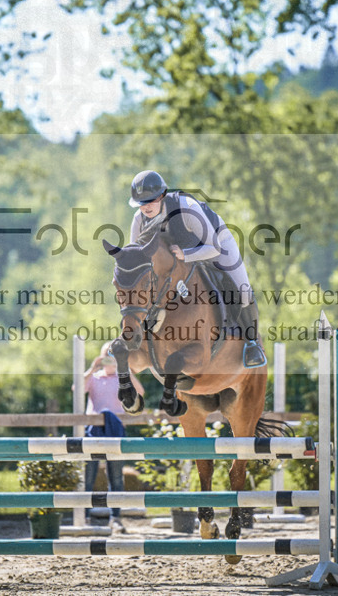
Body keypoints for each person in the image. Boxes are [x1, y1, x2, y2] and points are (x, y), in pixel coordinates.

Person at [127, 169, 267, 368]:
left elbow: (214, 248)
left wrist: (187, 255)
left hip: (215, 245)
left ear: (162, 196)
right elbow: (137, 258)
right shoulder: (139, 220)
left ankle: (252, 344)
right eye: (141, 203)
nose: (146, 208)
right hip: (179, 259)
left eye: (150, 201)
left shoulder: (186, 208)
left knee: (243, 291)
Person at [83, 341, 143, 533]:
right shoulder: (93, 377)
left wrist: (125, 369)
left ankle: (115, 517)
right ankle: (85, 516)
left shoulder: (122, 378)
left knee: (116, 476)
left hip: (115, 431)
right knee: (89, 475)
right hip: (93, 431)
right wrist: (93, 367)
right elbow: (77, 389)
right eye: (107, 357)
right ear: (101, 359)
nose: (110, 361)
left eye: (113, 357)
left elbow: (140, 392)